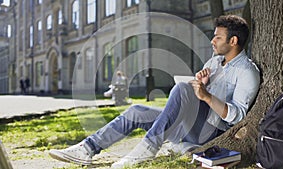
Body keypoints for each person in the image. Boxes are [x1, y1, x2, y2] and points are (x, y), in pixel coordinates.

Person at [49, 15, 260, 168]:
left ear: (233, 41)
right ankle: (87, 149)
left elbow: (237, 117)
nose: (212, 41)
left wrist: (205, 95)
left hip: (212, 131)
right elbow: (197, 95)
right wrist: (202, 83)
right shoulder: (214, 62)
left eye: (218, 38)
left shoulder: (247, 72)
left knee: (183, 88)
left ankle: (147, 150)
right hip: (189, 122)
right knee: (136, 111)